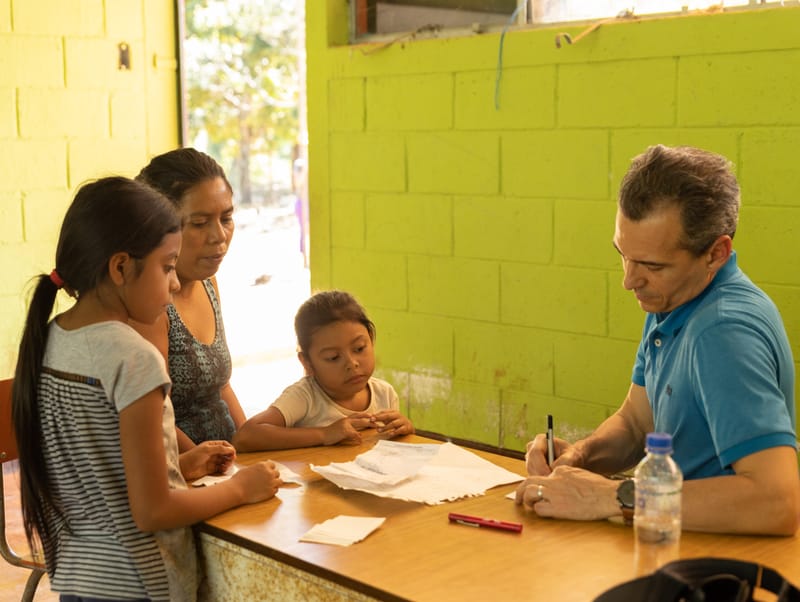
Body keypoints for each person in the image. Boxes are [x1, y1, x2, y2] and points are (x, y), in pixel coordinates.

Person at [12, 177, 282, 601]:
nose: (175, 283)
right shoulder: (133, 358)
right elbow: (153, 511)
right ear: (121, 268)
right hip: (139, 584)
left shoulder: (50, 341)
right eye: (168, 266)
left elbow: (100, 470)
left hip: (78, 580)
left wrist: (181, 465)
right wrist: (240, 489)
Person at [516, 145, 800, 536]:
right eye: (624, 255)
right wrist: (581, 456)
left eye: (651, 265)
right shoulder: (674, 298)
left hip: (719, 561)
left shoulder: (723, 331)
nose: (629, 280)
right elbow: (637, 423)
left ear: (715, 253)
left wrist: (611, 496)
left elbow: (777, 502)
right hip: (672, 539)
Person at [133, 148, 243, 452]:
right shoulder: (149, 305)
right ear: (158, 226)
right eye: (199, 223)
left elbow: (220, 387)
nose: (219, 236)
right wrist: (212, 465)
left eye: (227, 218)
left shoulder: (208, 283)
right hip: (183, 472)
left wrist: (250, 444)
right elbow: (156, 416)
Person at [234, 290, 414, 451]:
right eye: (333, 357)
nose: (352, 363)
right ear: (307, 363)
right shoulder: (305, 397)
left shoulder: (384, 393)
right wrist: (325, 434)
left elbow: (394, 452)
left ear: (371, 340)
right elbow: (246, 436)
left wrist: (405, 430)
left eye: (359, 348)